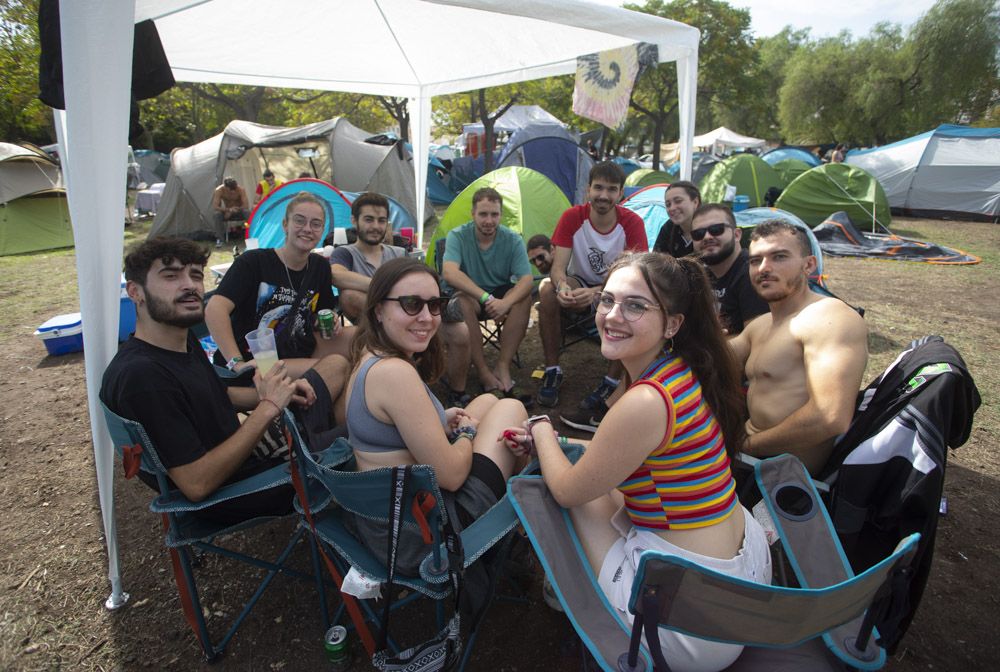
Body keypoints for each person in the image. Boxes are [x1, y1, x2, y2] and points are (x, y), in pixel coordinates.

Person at [502, 252, 771, 672]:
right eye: (607, 300)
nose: (611, 316)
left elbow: (568, 488)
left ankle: (563, 591)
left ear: (673, 324)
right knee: (599, 483)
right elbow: (621, 452)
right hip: (744, 578)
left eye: (635, 305)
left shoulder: (645, 401)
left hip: (691, 628)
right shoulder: (683, 371)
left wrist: (539, 428)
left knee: (565, 502)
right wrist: (562, 442)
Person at [101, 237, 348, 524]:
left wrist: (282, 392)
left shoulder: (178, 342)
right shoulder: (144, 377)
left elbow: (219, 395)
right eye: (171, 276)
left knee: (336, 366)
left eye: (195, 275)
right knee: (367, 428)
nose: (190, 285)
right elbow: (197, 484)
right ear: (135, 292)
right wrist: (268, 407)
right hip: (244, 486)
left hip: (251, 448)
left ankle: (325, 431)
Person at [344, 256, 527, 574]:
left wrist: (438, 418)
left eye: (435, 304)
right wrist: (468, 434)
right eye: (411, 304)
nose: (427, 318)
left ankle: (517, 528)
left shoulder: (369, 356)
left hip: (393, 514)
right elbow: (452, 476)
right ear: (378, 310)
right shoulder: (394, 374)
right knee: (511, 410)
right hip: (425, 533)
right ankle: (520, 533)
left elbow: (389, 428)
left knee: (485, 401)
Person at [730, 220, 868, 475]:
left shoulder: (830, 318)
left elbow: (829, 417)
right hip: (753, 459)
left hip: (782, 478)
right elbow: (714, 360)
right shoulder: (761, 325)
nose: (764, 268)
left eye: (779, 257)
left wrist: (744, 446)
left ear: (808, 265)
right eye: (754, 260)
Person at [331, 192, 472, 406]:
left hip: (413, 315)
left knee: (460, 332)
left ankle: (456, 391)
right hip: (375, 329)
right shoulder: (346, 253)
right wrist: (383, 288)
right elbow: (337, 275)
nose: (375, 226)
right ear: (354, 221)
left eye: (381, 220)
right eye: (368, 219)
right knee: (350, 295)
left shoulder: (398, 252)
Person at [536, 161, 647, 423]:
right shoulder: (573, 217)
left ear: (621, 194)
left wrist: (600, 293)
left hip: (618, 287)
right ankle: (552, 369)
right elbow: (558, 269)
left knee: (629, 302)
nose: (603, 196)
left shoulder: (631, 222)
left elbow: (634, 274)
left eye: (611, 189)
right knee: (546, 290)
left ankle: (611, 379)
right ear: (588, 190)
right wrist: (563, 287)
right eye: (598, 188)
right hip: (579, 282)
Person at [206, 191, 354, 381]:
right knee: (340, 368)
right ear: (285, 225)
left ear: (322, 230)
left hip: (299, 348)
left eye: (315, 224)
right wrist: (237, 363)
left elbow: (318, 313)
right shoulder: (254, 262)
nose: (307, 229)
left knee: (362, 339)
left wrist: (329, 318)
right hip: (256, 360)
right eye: (299, 221)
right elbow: (214, 309)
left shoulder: (319, 266)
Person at [441, 187, 533, 395]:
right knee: (464, 302)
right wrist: (486, 297)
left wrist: (505, 303)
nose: (489, 220)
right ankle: (483, 372)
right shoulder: (458, 236)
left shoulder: (512, 239)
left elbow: (526, 280)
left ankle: (502, 365)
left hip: (498, 295)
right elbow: (449, 273)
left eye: (494, 214)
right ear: (473, 214)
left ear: (500, 215)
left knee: (523, 298)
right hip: (470, 296)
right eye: (483, 214)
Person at [690, 204, 768, 335]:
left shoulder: (752, 273)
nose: (707, 237)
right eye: (698, 234)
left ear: (737, 235)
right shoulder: (702, 275)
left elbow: (757, 340)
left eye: (716, 229)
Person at [652, 180, 701, 259]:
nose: (672, 208)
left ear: (695, 202)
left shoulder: (710, 228)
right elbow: (656, 261)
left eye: (678, 201)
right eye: (668, 204)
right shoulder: (668, 228)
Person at [211, 176, 250, 245]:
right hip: (227, 211)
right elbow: (215, 206)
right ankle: (220, 239)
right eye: (231, 189)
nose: (233, 191)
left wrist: (236, 209)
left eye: (234, 189)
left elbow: (246, 205)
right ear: (225, 187)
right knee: (217, 215)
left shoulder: (241, 190)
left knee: (247, 212)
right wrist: (228, 210)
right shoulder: (219, 190)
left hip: (238, 211)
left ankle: (251, 236)